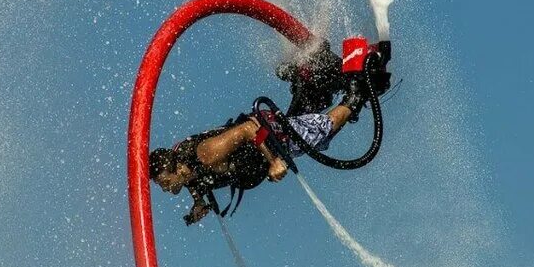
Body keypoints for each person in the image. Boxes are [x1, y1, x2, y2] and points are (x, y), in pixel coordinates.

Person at [149, 71, 370, 225]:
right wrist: (198, 204)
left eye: (166, 182)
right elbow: (195, 184)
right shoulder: (188, 174)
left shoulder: (206, 153)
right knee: (315, 131)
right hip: (266, 144)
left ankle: (357, 93)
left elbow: (247, 129)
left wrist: (274, 161)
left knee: (320, 132)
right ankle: (308, 80)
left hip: (273, 137)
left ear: (177, 168)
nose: (167, 189)